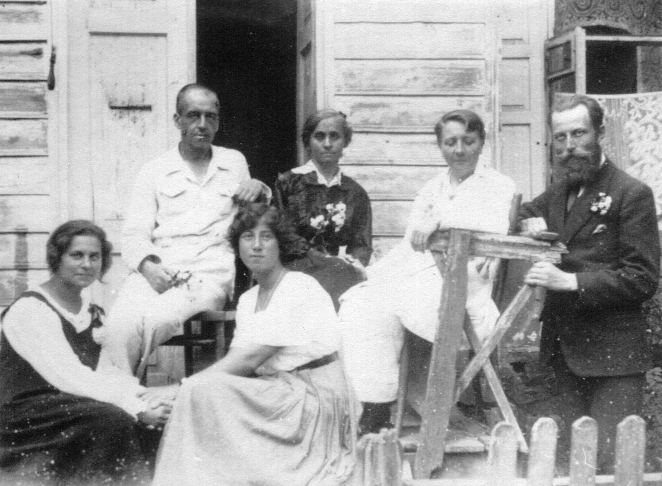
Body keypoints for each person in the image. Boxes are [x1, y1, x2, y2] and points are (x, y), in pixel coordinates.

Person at [152, 203, 358, 485]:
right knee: (205, 392)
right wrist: (188, 388)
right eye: (248, 237)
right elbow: (236, 361)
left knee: (199, 390)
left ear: (281, 244)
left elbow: (249, 359)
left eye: (266, 237)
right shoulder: (249, 299)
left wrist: (180, 387)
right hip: (279, 392)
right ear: (238, 246)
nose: (257, 246)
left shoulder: (298, 287)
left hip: (314, 399)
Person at [339, 109, 516, 433]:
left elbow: (493, 226)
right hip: (423, 280)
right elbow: (410, 245)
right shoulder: (432, 188)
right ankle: (377, 401)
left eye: (468, 141)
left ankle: (402, 399)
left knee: (389, 301)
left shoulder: (498, 185)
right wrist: (373, 273)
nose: (459, 150)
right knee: (362, 301)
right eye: (450, 142)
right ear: (440, 145)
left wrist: (440, 222)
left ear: (482, 142)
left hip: (466, 287)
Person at [519, 94, 660, 473]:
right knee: (573, 466)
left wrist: (569, 281)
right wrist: (529, 225)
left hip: (612, 358)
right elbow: (525, 212)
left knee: (613, 466)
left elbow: (642, 278)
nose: (569, 146)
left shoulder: (631, 193)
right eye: (560, 137)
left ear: (600, 133)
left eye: (578, 134)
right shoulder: (559, 192)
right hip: (563, 352)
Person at [98, 83, 270, 378]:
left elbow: (252, 215)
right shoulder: (155, 169)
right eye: (193, 115)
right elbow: (134, 234)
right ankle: (116, 395)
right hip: (159, 267)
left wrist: (259, 188)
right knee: (119, 324)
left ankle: (122, 389)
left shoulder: (233, 162)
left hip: (209, 273)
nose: (202, 124)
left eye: (210, 116)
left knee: (157, 319)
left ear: (218, 121)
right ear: (177, 120)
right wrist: (148, 267)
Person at [0, 220, 171, 485]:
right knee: (113, 419)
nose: (87, 264)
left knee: (151, 424)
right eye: (76, 255)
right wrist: (135, 407)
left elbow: (106, 372)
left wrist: (143, 397)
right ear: (57, 258)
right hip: (23, 418)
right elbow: (69, 375)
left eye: (95, 257)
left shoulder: (92, 312)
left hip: (70, 407)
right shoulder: (32, 309)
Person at [274, 109, 372, 267]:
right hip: (296, 271)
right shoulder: (289, 183)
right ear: (308, 141)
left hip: (339, 272)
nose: (327, 144)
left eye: (334, 136)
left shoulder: (355, 193)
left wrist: (348, 267)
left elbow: (361, 245)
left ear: (345, 141)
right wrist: (319, 260)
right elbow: (282, 235)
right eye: (319, 136)